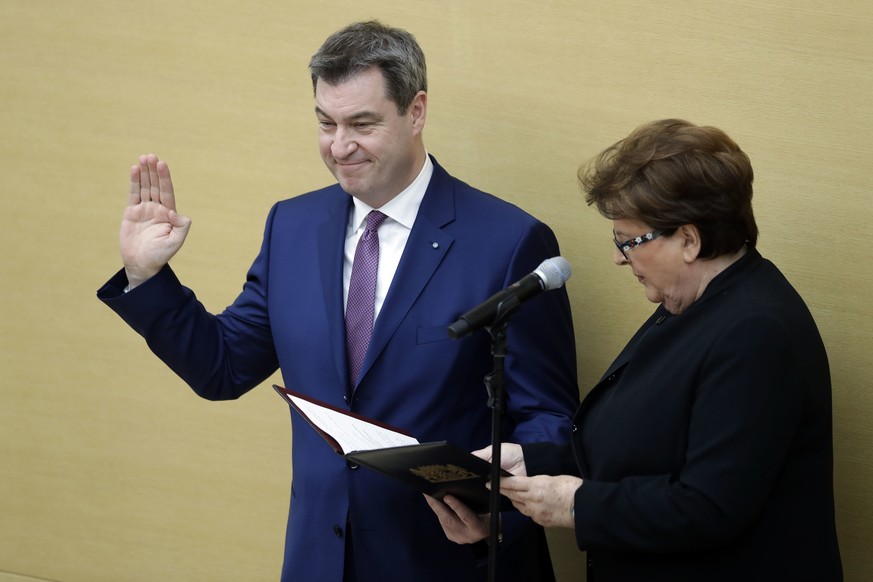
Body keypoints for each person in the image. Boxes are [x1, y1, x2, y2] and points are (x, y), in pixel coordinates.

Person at [96, 20, 579, 582]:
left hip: (450, 561)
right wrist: (148, 275)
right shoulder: (292, 225)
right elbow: (222, 368)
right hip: (318, 561)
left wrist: (496, 518)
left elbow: (548, 421)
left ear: (416, 111)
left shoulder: (509, 242)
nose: (339, 146)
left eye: (362, 124)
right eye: (325, 123)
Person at [426, 119, 843, 581]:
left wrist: (576, 504)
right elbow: (644, 445)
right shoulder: (691, 303)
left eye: (628, 241)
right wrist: (532, 462)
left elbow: (709, 507)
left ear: (689, 239)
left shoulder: (757, 330)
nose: (619, 258)